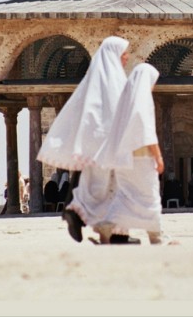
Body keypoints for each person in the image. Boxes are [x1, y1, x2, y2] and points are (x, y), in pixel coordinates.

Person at [38, 36, 130, 242]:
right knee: (113, 190)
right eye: (124, 54)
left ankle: (109, 231)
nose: (127, 58)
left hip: (100, 149)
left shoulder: (94, 83)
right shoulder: (112, 82)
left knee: (104, 191)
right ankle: (104, 229)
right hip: (107, 149)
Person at [90, 63, 168, 244]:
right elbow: (147, 132)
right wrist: (158, 156)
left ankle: (107, 225)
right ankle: (156, 236)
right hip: (142, 157)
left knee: (125, 196)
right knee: (150, 196)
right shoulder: (143, 101)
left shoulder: (124, 101)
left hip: (122, 158)